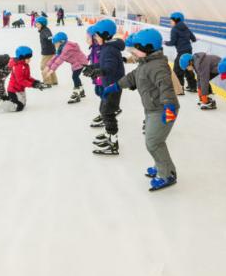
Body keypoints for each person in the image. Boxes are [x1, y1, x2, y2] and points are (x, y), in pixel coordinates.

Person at [103, 29, 179, 191]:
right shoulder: (145, 64)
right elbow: (132, 77)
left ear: (147, 47)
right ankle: (163, 166)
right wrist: (116, 85)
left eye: (134, 50)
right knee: (155, 142)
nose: (133, 54)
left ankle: (166, 174)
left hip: (162, 109)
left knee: (153, 142)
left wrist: (169, 107)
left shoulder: (158, 67)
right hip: (152, 108)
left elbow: (166, 88)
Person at [84, 19, 125, 155]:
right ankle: (109, 135)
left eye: (96, 35)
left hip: (113, 86)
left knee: (107, 112)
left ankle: (113, 143)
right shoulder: (106, 48)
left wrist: (98, 72)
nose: (95, 38)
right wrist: (92, 67)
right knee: (103, 109)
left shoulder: (109, 50)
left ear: (105, 35)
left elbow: (110, 67)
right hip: (109, 85)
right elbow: (103, 64)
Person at [43, 32, 88, 104]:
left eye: (55, 43)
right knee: (76, 77)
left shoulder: (67, 48)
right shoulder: (62, 47)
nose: (54, 45)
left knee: (75, 77)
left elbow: (60, 59)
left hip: (80, 63)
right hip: (76, 63)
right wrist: (48, 66)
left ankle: (76, 93)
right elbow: (56, 57)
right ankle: (81, 90)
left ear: (61, 41)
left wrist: (52, 70)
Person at [164, 12, 197, 94]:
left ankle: (179, 89)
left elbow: (172, 42)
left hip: (182, 52)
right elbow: (194, 39)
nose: (170, 22)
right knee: (188, 68)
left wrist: (165, 43)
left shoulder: (174, 29)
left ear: (176, 20)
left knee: (177, 69)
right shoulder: (186, 28)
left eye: (171, 20)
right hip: (189, 50)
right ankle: (192, 86)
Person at [6, 46, 45, 111]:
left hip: (20, 89)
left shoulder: (25, 65)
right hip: (14, 90)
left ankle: (12, 100)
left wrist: (35, 82)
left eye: (30, 58)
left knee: (23, 104)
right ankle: (3, 104)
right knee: (19, 107)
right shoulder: (18, 66)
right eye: (28, 58)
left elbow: (27, 77)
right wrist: (32, 85)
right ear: (22, 58)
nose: (30, 60)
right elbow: (20, 80)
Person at [35, 16, 57, 87]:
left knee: (44, 67)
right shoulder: (44, 30)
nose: (36, 25)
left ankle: (47, 82)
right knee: (50, 66)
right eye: (36, 24)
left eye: (38, 24)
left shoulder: (45, 31)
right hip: (51, 51)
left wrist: (51, 38)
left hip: (47, 52)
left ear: (43, 24)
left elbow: (49, 36)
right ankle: (54, 80)